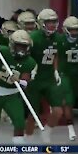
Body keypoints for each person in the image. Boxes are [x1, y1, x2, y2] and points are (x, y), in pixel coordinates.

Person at [0, 30, 36, 154]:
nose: (22, 49)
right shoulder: (2, 52)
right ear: (12, 44)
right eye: (19, 45)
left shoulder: (30, 62)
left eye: (24, 46)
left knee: (19, 122)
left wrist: (19, 81)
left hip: (12, 95)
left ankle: (16, 152)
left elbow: (26, 82)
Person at [25, 8, 62, 143]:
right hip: (35, 79)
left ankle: (46, 132)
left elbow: (55, 54)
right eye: (49, 22)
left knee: (58, 111)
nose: (52, 25)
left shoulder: (57, 38)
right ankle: (28, 140)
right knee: (33, 114)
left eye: (54, 21)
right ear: (41, 23)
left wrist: (56, 70)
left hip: (49, 78)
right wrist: (29, 69)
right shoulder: (33, 38)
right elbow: (24, 56)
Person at [57, 16, 78, 141]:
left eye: (76, 30)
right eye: (72, 29)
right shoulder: (60, 40)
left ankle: (65, 112)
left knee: (73, 97)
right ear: (66, 29)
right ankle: (70, 127)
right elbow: (55, 57)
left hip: (77, 73)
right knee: (68, 100)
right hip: (64, 73)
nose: (74, 32)